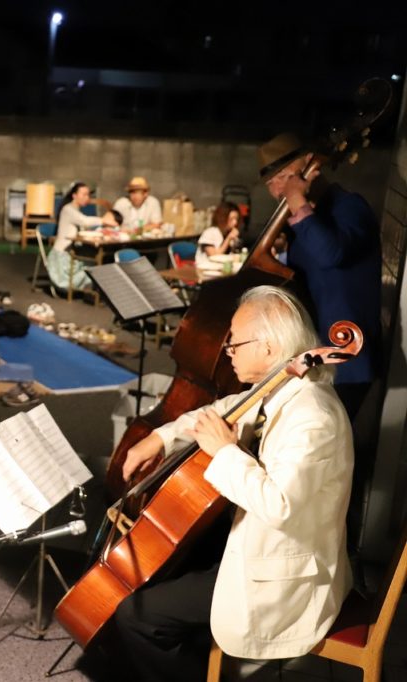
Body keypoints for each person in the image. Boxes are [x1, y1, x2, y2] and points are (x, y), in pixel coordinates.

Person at [108, 285, 353, 682]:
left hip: (283, 578)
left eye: (236, 343)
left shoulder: (313, 416)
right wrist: (160, 437)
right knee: (172, 566)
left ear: (270, 347)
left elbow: (280, 506)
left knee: (139, 618)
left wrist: (225, 452)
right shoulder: (281, 386)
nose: (228, 351)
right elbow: (221, 410)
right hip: (256, 546)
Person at [258, 132, 381, 422]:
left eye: (284, 178)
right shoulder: (306, 221)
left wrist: (298, 202)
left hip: (345, 353)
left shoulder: (350, 207)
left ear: (308, 171)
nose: (278, 191)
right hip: (315, 354)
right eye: (270, 183)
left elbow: (331, 254)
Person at [48, 182, 118, 292]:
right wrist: (104, 220)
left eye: (88, 195)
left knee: (97, 257)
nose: (87, 197)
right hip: (62, 257)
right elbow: (84, 221)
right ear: (74, 195)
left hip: (71, 252)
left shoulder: (75, 209)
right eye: (84, 194)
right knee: (96, 263)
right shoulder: (68, 209)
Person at [196, 201, 244, 268]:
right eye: (232, 219)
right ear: (222, 218)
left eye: (236, 219)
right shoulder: (210, 233)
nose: (235, 222)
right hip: (206, 270)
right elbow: (214, 256)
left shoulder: (228, 233)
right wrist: (228, 239)